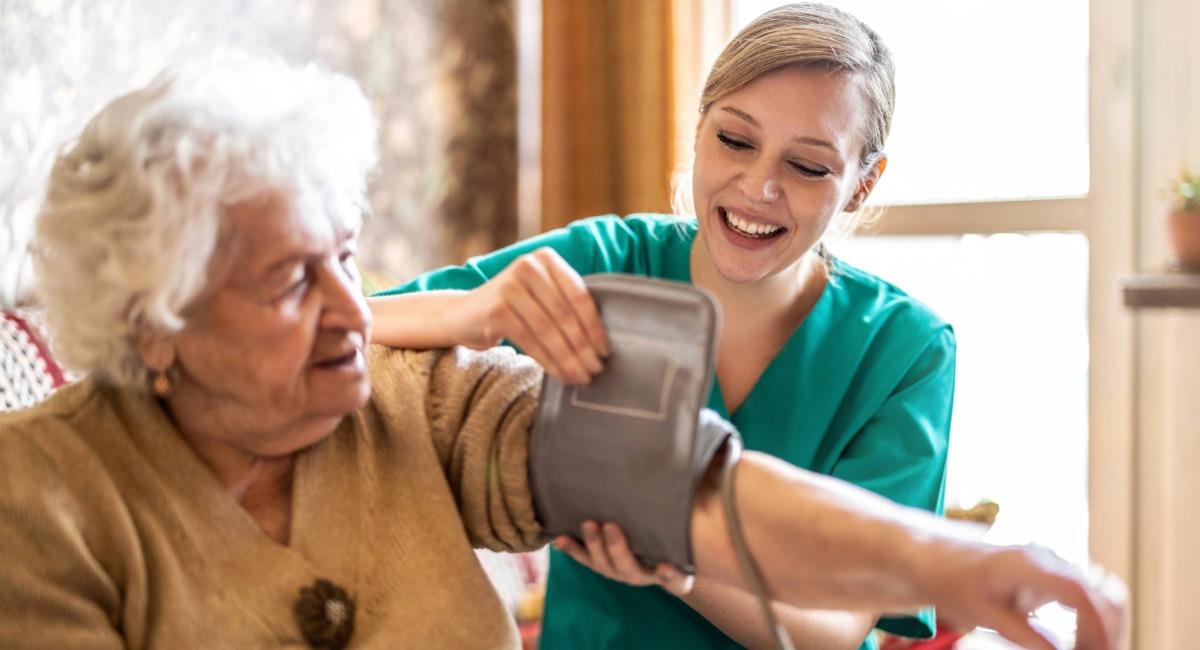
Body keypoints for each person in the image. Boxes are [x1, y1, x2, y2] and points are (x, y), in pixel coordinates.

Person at [0, 57, 1125, 650]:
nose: (353, 306)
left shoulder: (414, 410)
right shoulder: (42, 498)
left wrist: (949, 562)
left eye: (347, 253)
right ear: (156, 322)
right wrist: (483, 305)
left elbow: (691, 482)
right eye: (296, 278)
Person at [370, 3, 947, 649]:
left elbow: (834, 629)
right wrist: (472, 311)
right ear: (698, 131)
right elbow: (347, 325)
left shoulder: (907, 352)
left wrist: (673, 556)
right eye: (735, 140)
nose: (759, 186)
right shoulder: (604, 262)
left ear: (863, 184)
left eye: (808, 166)